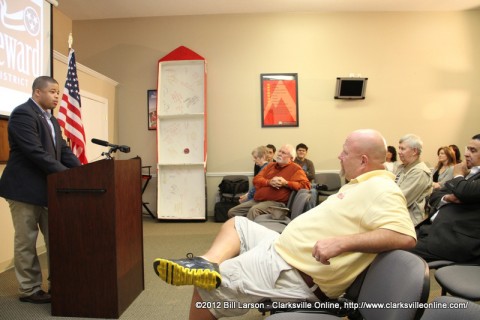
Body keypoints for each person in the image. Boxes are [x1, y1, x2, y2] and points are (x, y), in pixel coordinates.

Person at [153, 129, 416, 320]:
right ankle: (207, 261)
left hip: (293, 269)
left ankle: (211, 273)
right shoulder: (361, 184)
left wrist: (341, 242)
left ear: (363, 161)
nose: (339, 156)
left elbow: (404, 235)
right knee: (237, 223)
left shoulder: (382, 188)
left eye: (345, 152)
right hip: (283, 249)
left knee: (206, 289)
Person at [0, 76, 82, 304]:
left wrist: (82, 171)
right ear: (38, 92)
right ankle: (30, 289)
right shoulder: (22, 114)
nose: (57, 96)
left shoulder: (52, 120)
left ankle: (60, 283)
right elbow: (35, 152)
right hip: (23, 190)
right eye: (53, 92)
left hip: (49, 190)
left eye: (58, 92)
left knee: (57, 239)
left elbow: (63, 151)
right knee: (26, 241)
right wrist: (66, 174)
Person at [411, 134, 480, 263]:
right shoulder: (469, 173)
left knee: (394, 250)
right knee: (390, 240)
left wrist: (458, 175)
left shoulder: (462, 173)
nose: (466, 154)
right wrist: (447, 198)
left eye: (473, 150)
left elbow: (465, 192)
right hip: (433, 229)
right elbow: (435, 196)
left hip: (453, 240)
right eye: (467, 149)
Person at [227, 144, 310, 220]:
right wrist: (269, 182)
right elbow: (256, 180)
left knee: (254, 210)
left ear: (291, 158)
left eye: (283, 153)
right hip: (258, 200)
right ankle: (243, 230)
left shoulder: (295, 169)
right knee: (233, 212)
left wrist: (286, 183)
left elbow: (306, 186)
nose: (279, 154)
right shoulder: (271, 165)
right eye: (279, 151)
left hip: (276, 203)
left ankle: (249, 234)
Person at [394, 134, 432, 226]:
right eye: (399, 148)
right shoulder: (402, 167)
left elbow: (401, 199)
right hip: (397, 217)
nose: (399, 152)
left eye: (402, 149)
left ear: (414, 151)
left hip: (408, 222)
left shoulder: (419, 172)